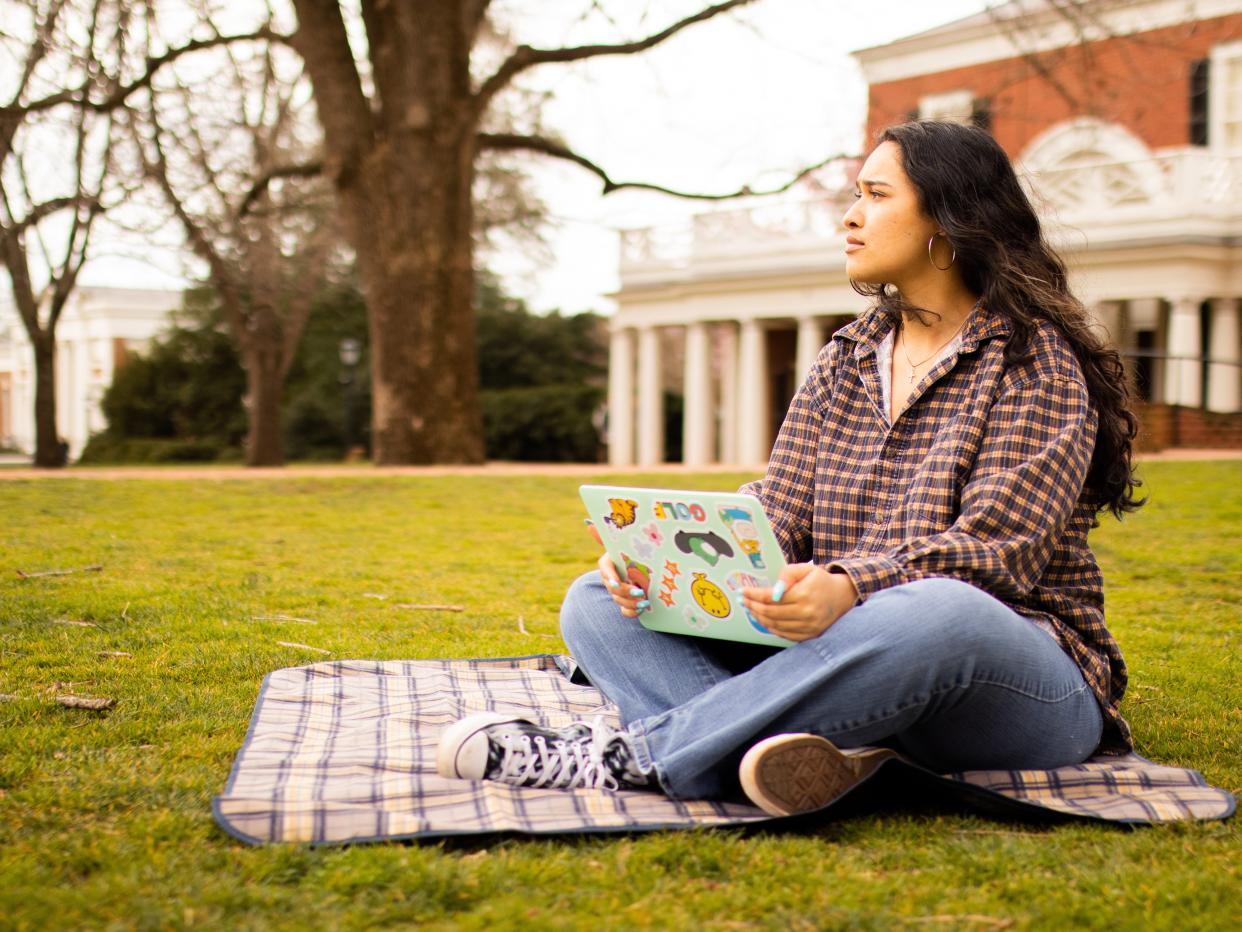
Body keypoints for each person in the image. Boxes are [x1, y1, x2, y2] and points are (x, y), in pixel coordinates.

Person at [437, 120, 1143, 817]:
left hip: (1011, 683)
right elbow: (780, 508)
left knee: (941, 609)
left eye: (876, 194)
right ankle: (800, 758)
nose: (851, 215)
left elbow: (996, 555)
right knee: (597, 601)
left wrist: (848, 586)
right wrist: (668, 558)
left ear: (948, 219)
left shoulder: (1032, 360)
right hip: (845, 664)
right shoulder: (847, 356)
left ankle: (634, 757)